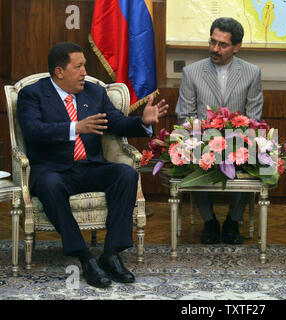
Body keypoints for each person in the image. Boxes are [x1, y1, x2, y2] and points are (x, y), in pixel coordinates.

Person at [17, 42, 169, 288]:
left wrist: (142, 121)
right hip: (53, 170)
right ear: (59, 72)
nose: (85, 72)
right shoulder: (32, 94)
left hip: (89, 167)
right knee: (48, 184)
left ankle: (110, 254)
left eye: (84, 65)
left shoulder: (94, 92)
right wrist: (74, 128)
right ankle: (85, 257)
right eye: (78, 67)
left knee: (126, 174)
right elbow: (33, 131)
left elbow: (117, 123)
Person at [175, 17, 263, 245]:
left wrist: (237, 141)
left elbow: (253, 118)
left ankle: (233, 221)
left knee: (249, 156)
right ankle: (210, 221)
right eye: (212, 42)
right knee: (195, 155)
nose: (215, 49)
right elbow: (185, 115)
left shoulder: (252, 73)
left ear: (237, 47)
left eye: (222, 45)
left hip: (238, 141)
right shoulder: (192, 72)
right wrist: (204, 139)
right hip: (202, 139)